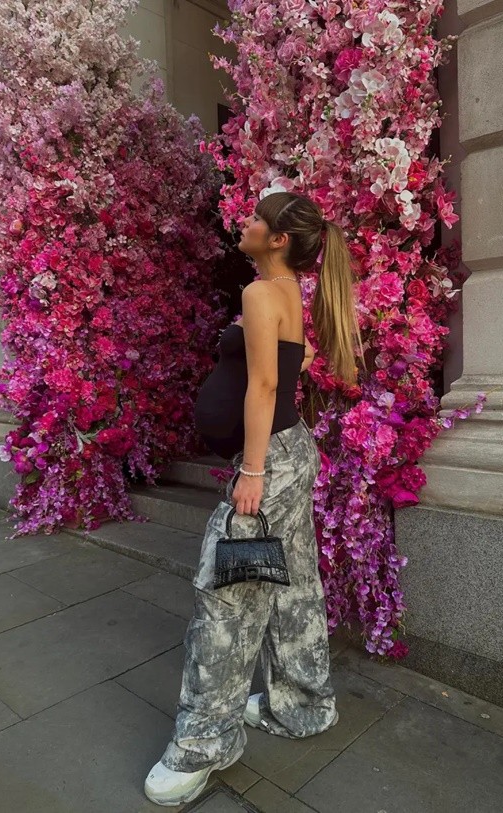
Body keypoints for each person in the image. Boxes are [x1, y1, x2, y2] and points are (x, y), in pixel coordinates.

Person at [144, 191, 362, 807]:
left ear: (278, 240)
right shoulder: (287, 291)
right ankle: (302, 705)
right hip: (293, 455)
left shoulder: (263, 292)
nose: (243, 222)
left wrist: (253, 470)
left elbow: (266, 383)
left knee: (227, 599)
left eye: (254, 218)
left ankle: (202, 745)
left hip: (273, 465)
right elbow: (291, 363)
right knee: (292, 586)